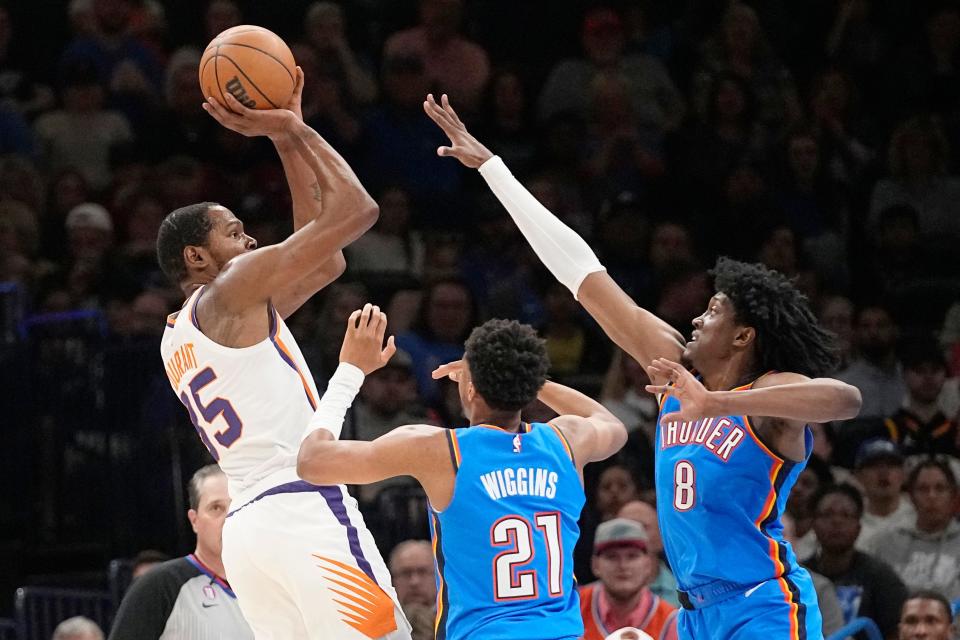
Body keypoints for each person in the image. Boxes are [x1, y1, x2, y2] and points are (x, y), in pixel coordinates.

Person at [423, 92, 862, 639]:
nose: (698, 318)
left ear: (744, 336)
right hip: (694, 612)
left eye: (715, 312)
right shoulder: (673, 366)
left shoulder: (771, 391)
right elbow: (582, 274)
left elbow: (845, 399)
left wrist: (720, 403)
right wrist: (494, 170)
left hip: (765, 605)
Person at [156, 73, 409, 638]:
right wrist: (295, 126)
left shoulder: (183, 331)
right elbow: (359, 211)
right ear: (196, 255)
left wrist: (284, 140)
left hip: (250, 533)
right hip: (301, 506)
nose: (248, 243)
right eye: (234, 231)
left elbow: (326, 262)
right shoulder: (232, 287)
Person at [297, 312, 628, 640]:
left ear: (470, 390)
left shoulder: (440, 450)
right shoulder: (567, 441)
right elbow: (611, 424)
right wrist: (524, 378)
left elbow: (312, 461)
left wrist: (349, 371)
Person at [109, 465, 253, 640]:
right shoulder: (160, 584)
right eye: (216, 508)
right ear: (194, 520)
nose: (229, 518)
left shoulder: (272, 586)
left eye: (238, 506)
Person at [802, 483, 908, 638]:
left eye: (846, 515)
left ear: (859, 526)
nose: (836, 522)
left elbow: (897, 631)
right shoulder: (799, 576)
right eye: (827, 514)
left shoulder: (881, 577)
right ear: (813, 524)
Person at [862, 458, 960, 599]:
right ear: (912, 497)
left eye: (940, 488)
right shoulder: (886, 543)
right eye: (923, 489)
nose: (931, 496)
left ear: (953, 497)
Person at [579, 518, 678, 640]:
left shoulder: (670, 621)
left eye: (632, 556)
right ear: (595, 565)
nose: (623, 565)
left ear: (648, 564)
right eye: (612, 557)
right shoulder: (573, 608)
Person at [853, 438, 915, 546]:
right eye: (873, 465)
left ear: (904, 474)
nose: (883, 472)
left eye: (891, 465)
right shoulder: (849, 518)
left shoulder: (917, 517)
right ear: (858, 475)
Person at [617, 501, 678, 607]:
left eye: (643, 527)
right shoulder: (587, 601)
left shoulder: (686, 596)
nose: (633, 534)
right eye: (625, 528)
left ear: (661, 538)